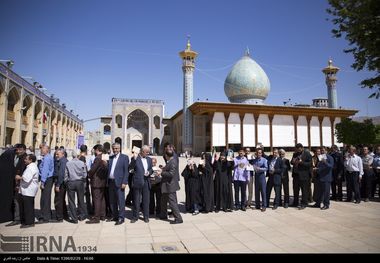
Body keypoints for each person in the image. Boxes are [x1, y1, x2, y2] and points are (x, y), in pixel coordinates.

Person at [3, 144, 27, 226]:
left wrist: (18, 182)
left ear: (24, 149)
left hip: (20, 182)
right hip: (15, 182)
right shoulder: (16, 156)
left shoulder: (25, 158)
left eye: (20, 150)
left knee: (18, 200)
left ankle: (18, 218)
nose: (18, 151)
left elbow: (23, 171)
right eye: (17, 150)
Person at [158, 146, 183, 224]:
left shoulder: (173, 162)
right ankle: (163, 214)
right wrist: (163, 168)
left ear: (166, 156)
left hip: (170, 186)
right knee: (163, 200)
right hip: (166, 185)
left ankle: (178, 218)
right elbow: (168, 169)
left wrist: (161, 173)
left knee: (172, 203)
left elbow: (171, 174)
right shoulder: (170, 161)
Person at [107, 143, 129, 225]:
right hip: (111, 182)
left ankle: (121, 217)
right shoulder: (111, 157)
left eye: (116, 148)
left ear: (119, 148)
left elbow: (126, 171)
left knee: (120, 201)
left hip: (120, 183)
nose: (115, 150)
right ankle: (114, 216)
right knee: (112, 201)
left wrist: (124, 182)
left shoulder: (124, 157)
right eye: (114, 148)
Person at [130, 145, 153, 223]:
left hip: (146, 181)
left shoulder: (149, 159)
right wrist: (134, 159)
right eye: (147, 152)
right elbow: (130, 168)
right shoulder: (135, 158)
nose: (148, 154)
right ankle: (135, 216)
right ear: (142, 151)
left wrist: (149, 172)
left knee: (146, 200)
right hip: (137, 181)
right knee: (136, 200)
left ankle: (146, 216)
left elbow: (151, 169)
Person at [16, 154, 39, 228]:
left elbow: (26, 178)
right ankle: (28, 221)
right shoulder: (30, 166)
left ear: (30, 160)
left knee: (28, 207)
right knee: (27, 207)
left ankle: (29, 223)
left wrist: (19, 177)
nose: (24, 160)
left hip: (28, 190)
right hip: (27, 190)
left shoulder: (31, 168)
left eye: (26, 159)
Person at [86, 144, 108, 224]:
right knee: (102, 199)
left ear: (97, 150)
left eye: (95, 150)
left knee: (97, 199)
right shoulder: (104, 157)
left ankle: (96, 217)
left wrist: (88, 174)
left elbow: (93, 170)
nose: (94, 151)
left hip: (96, 182)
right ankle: (102, 215)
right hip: (102, 182)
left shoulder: (97, 158)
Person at [65, 150, 87, 224]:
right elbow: (85, 174)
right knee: (81, 200)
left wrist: (67, 181)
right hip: (79, 182)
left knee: (71, 201)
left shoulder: (68, 163)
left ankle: (74, 218)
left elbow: (66, 175)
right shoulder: (82, 163)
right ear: (78, 155)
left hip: (71, 182)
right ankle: (81, 215)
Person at [291, 143, 312, 210]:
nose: (297, 150)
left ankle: (304, 203)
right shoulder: (295, 154)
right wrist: (293, 161)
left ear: (302, 148)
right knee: (296, 189)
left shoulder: (307, 154)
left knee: (304, 190)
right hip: (296, 175)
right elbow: (291, 162)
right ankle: (295, 202)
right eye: (296, 149)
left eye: (299, 149)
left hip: (304, 175)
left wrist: (301, 162)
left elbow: (310, 164)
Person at [37, 143, 55, 223]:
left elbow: (45, 171)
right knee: (45, 198)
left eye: (42, 148)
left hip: (47, 179)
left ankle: (45, 216)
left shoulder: (47, 158)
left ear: (46, 150)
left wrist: (43, 182)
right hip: (48, 179)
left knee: (45, 199)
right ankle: (46, 215)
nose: (41, 150)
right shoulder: (46, 157)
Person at [52, 149, 68, 222]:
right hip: (60, 183)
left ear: (63, 154)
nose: (56, 156)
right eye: (56, 154)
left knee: (58, 200)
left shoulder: (63, 161)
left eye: (58, 154)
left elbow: (61, 174)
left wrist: (58, 185)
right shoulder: (61, 160)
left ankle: (59, 217)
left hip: (60, 184)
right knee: (61, 200)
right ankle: (64, 215)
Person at [79, 144, 93, 217]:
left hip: (80, 179)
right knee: (86, 195)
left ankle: (84, 210)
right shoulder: (82, 158)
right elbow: (83, 170)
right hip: (83, 180)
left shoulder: (79, 157)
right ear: (85, 150)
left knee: (82, 195)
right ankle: (87, 210)